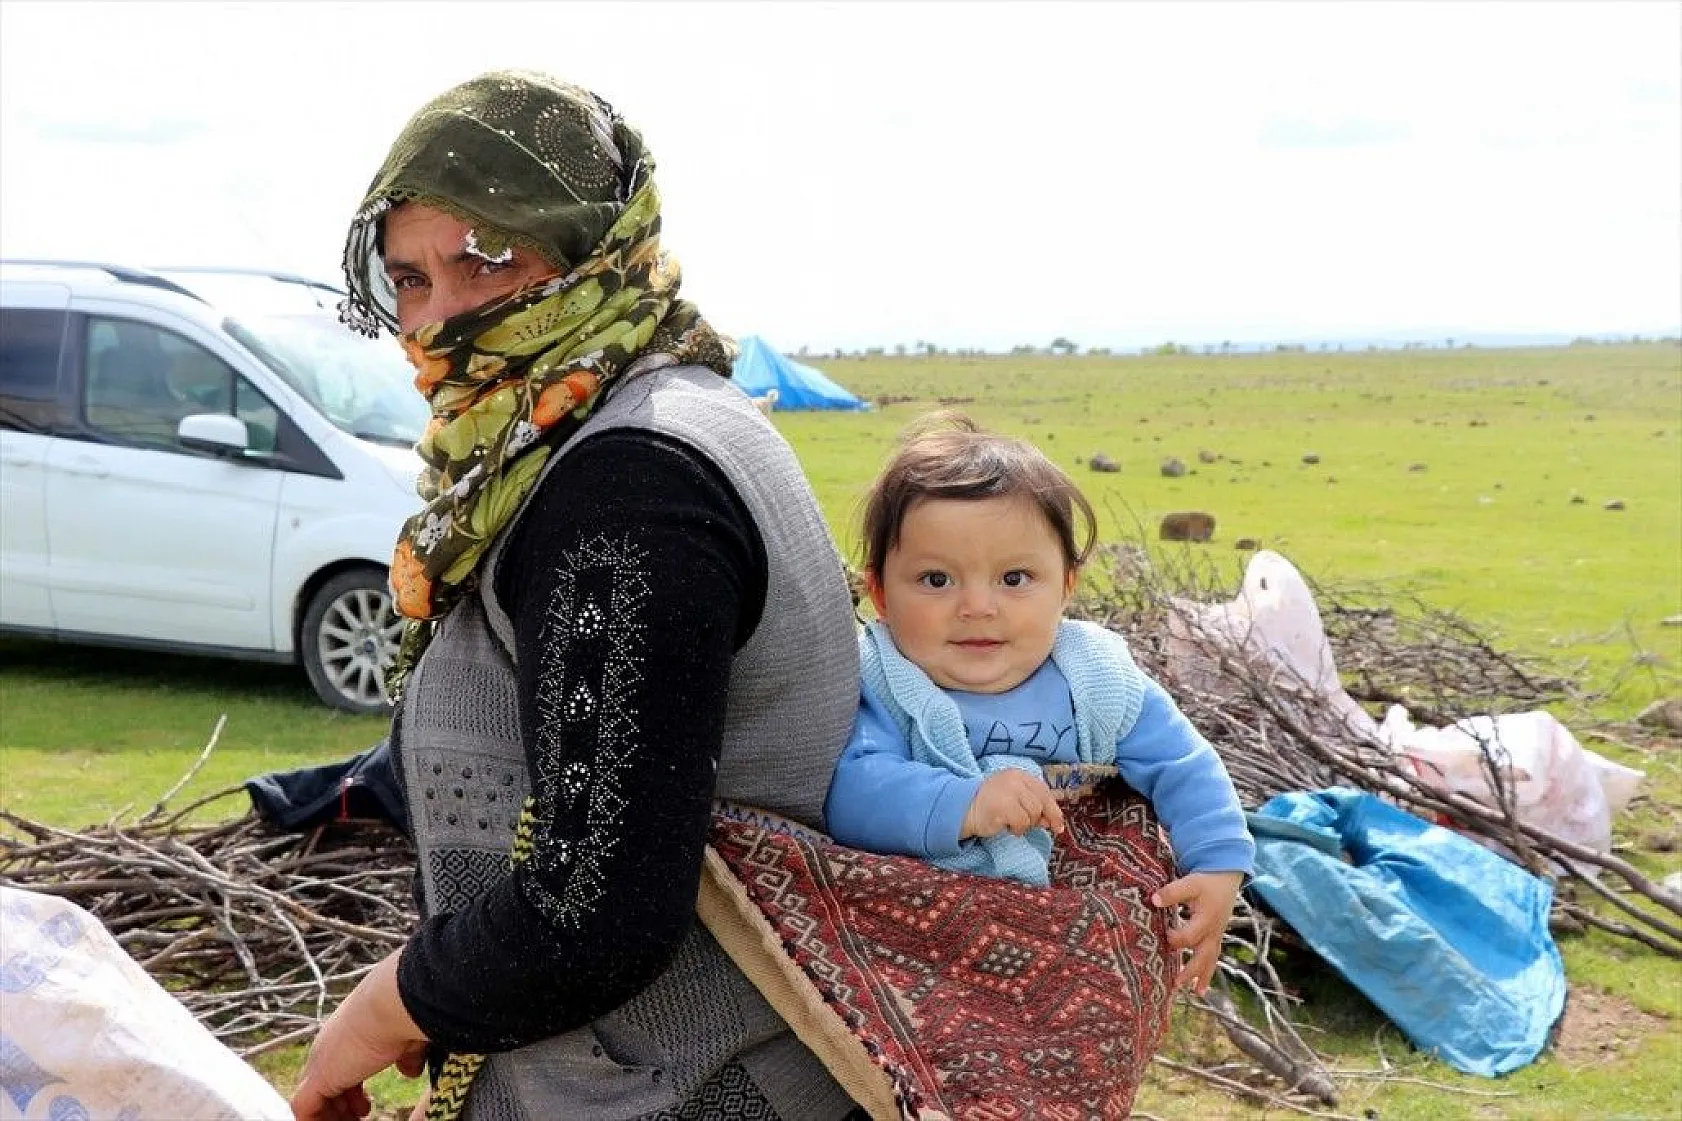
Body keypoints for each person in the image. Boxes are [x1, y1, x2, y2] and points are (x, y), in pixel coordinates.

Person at [290, 71, 862, 1121]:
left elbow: (596, 905)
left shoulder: (629, 482)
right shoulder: (645, 415)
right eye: (410, 277)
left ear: (591, 240)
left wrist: (384, 1007)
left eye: (486, 257)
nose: (444, 313)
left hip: (676, 1085)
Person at [823, 412, 1255, 995]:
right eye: (935, 581)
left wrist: (1219, 863)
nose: (977, 606)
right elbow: (852, 790)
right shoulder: (885, 679)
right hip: (922, 940)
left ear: (1066, 586)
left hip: (1071, 934)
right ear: (879, 593)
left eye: (1015, 578)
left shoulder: (1096, 679)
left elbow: (1183, 765)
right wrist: (967, 802)